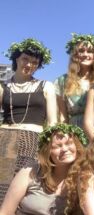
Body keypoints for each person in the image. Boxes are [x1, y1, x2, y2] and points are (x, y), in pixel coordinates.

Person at [0, 38, 57, 203]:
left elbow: (52, 122)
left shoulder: (46, 86)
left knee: (27, 190)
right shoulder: (4, 87)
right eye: (25, 59)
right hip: (5, 140)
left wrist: (47, 148)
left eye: (34, 62)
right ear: (16, 58)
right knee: (3, 187)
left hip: (34, 139)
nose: (29, 64)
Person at [0, 123, 87, 214]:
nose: (64, 149)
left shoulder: (85, 176)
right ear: (47, 152)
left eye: (69, 143)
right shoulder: (30, 172)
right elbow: (5, 212)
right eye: (57, 146)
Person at [54, 33, 94, 128]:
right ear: (74, 55)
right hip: (75, 130)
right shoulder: (62, 81)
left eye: (89, 51)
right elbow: (63, 116)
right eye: (81, 51)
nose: (85, 54)